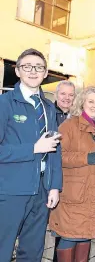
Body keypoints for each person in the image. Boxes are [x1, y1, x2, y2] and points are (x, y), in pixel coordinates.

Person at [0, 48, 62, 261]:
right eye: (27, 66)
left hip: (41, 192)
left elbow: (55, 149)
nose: (33, 71)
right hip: (11, 191)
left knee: (33, 252)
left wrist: (54, 185)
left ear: (45, 74)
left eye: (39, 67)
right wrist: (32, 149)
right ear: (17, 71)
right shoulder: (5, 104)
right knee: (3, 249)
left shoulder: (48, 108)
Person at [49, 86, 95, 261]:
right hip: (73, 195)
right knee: (69, 236)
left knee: (86, 236)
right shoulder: (69, 126)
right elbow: (56, 156)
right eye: (91, 101)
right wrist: (86, 157)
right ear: (82, 102)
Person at [52, 79, 76, 262]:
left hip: (71, 179)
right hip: (50, 178)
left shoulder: (77, 117)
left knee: (65, 228)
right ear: (55, 95)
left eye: (70, 95)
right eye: (63, 94)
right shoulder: (48, 114)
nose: (67, 98)